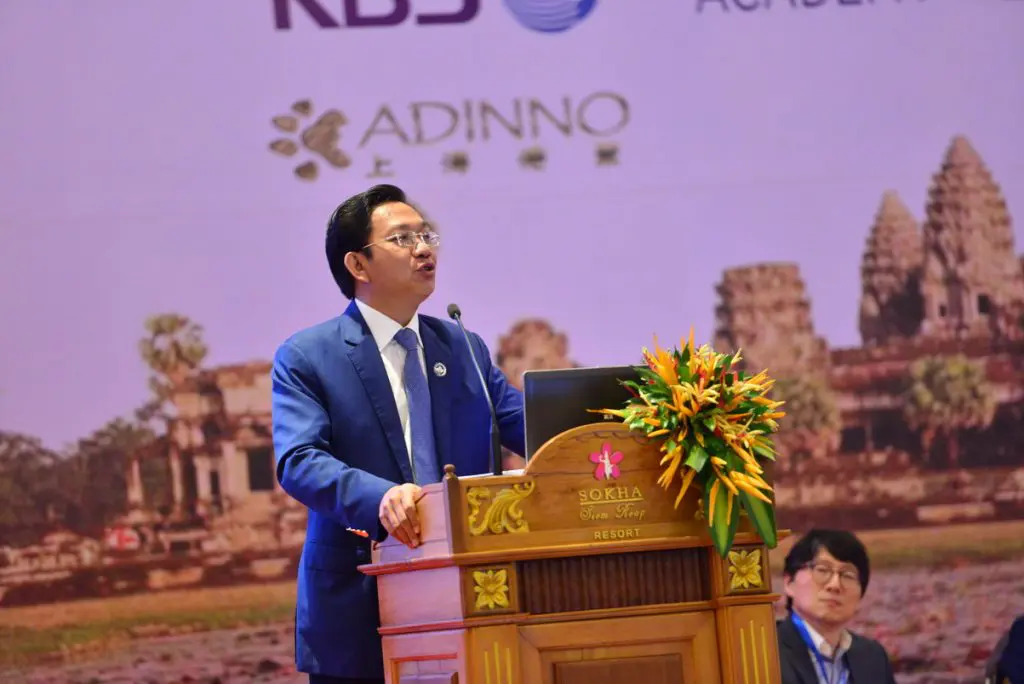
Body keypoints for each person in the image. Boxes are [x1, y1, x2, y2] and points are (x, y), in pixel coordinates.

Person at [271, 184, 525, 684]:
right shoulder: (308, 356)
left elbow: (533, 426)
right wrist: (381, 497)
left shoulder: (462, 346)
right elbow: (299, 460)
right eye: (403, 239)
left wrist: (642, 425)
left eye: (426, 236)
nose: (424, 249)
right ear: (358, 265)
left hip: (470, 597)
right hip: (359, 602)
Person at [777, 529, 897, 684]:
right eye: (822, 570)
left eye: (848, 575)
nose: (835, 585)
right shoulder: (765, 651)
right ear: (789, 582)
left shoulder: (873, 657)